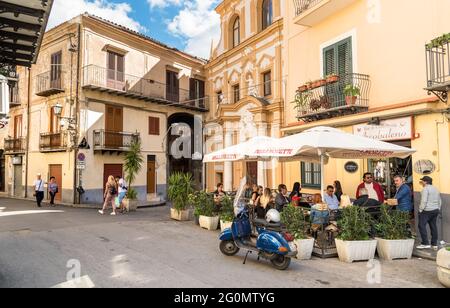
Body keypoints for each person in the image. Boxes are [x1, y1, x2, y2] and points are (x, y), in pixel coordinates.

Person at [417, 176, 442, 250]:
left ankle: (425, 243)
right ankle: (434, 244)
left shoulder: (425, 189)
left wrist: (420, 209)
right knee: (433, 226)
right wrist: (438, 208)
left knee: (421, 225)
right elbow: (439, 200)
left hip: (426, 211)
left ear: (425, 182)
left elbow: (424, 201)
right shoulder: (436, 188)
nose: (422, 182)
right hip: (435, 210)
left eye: (422, 181)